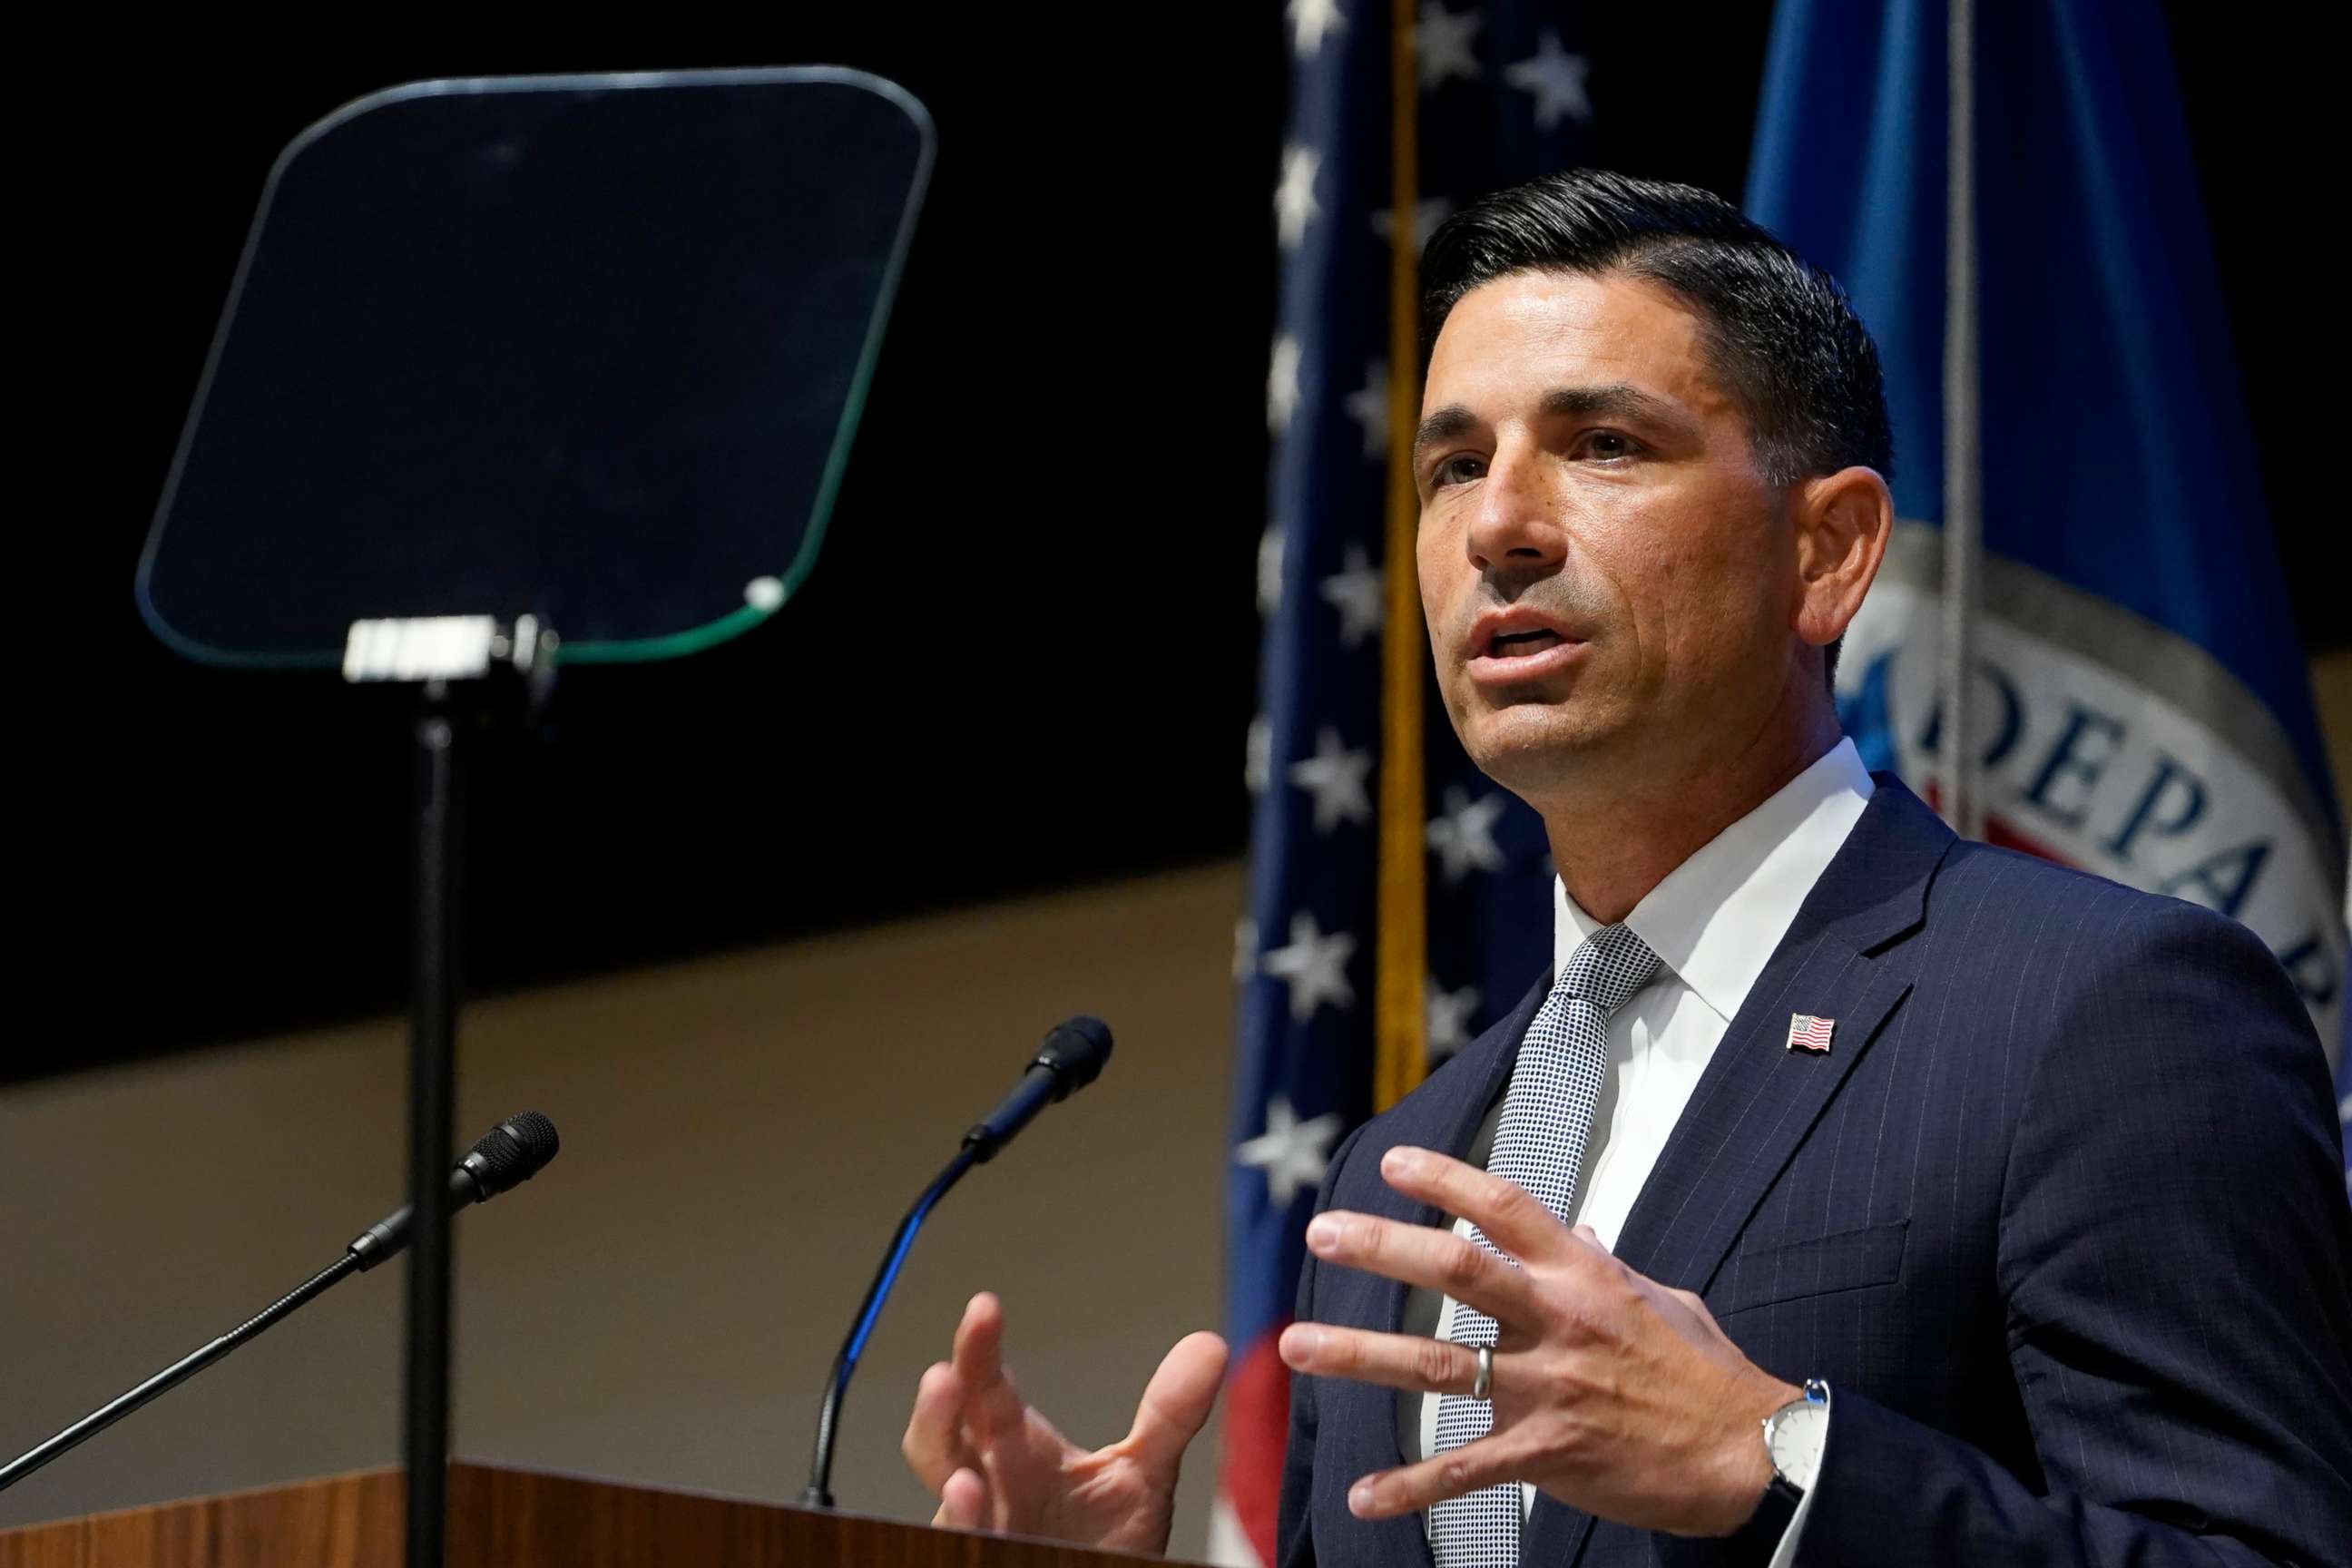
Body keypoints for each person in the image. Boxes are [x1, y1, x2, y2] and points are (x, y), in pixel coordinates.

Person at [898, 171, 2352, 1567]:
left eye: (1603, 446)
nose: (1499, 527)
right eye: (1453, 466)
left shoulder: (2097, 1010)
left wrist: (1781, 1466)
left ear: (1829, 552)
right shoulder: (1406, 1169)